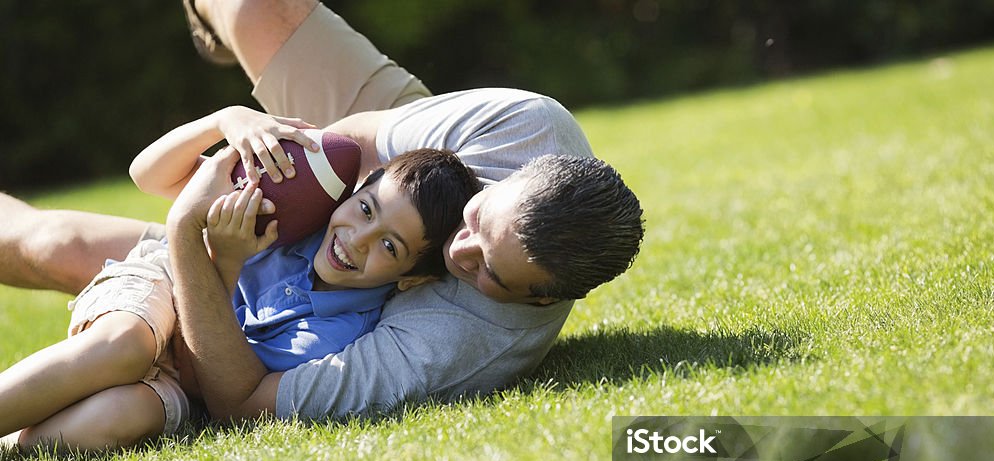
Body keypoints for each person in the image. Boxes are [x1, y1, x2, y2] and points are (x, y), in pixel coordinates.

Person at [0, 0, 644, 423]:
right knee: (255, 7)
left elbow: (245, 400)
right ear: (511, 179)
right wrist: (260, 178)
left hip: (314, 286)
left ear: (536, 300)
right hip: (401, 178)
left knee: (51, 243)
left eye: (491, 274)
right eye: (478, 222)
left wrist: (201, 245)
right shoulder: (524, 131)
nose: (459, 252)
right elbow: (360, 141)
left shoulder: (458, 345)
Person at [0, 115, 480, 450]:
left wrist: (226, 267)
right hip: (161, 284)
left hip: (185, 375)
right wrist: (226, 120)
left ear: (412, 278)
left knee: (123, 416)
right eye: (366, 209)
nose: (357, 239)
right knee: (124, 345)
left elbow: (206, 370)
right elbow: (148, 175)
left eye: (389, 247)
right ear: (361, 188)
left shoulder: (337, 335)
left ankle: (11, 445)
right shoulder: (302, 209)